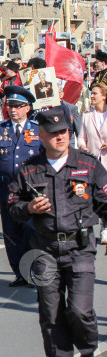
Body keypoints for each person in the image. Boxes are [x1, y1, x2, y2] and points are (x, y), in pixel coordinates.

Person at [8, 106, 105, 357]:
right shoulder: (29, 169)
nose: (60, 137)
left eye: (63, 131)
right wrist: (29, 207)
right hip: (45, 250)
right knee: (49, 313)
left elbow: (105, 201)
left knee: (80, 310)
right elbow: (13, 206)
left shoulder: (87, 164)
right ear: (41, 135)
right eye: (53, 133)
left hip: (80, 248)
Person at [0, 85, 41, 287]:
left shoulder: (38, 131)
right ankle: (20, 273)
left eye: (17, 106)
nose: (13, 110)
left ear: (27, 108)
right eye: (10, 105)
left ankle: (34, 271)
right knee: (12, 234)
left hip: (32, 192)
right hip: (8, 191)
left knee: (32, 232)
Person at [77, 82, 107, 245]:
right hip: (93, 162)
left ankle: (105, 227)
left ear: (104, 95)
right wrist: (82, 146)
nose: (92, 96)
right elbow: (81, 136)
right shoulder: (87, 115)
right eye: (91, 93)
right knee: (96, 197)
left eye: (95, 93)